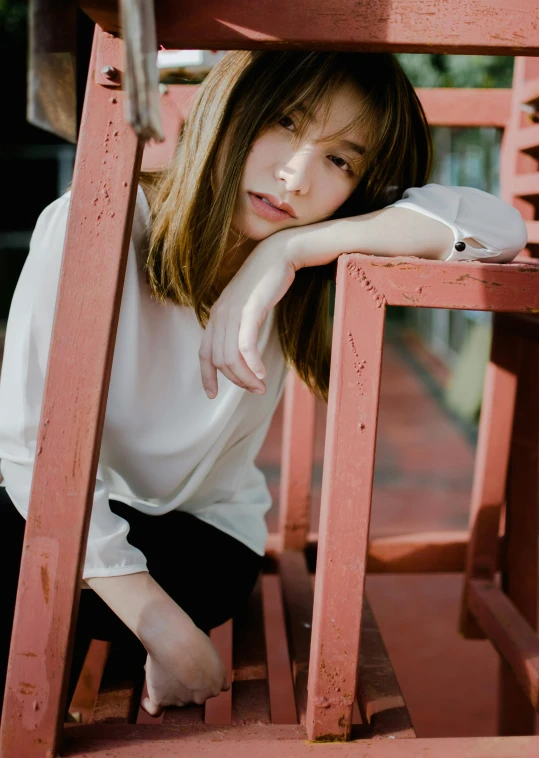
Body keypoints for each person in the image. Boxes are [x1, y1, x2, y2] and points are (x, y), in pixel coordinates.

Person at [0, 51, 527, 718]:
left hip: (199, 546)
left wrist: (284, 252)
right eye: (283, 121)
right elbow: (25, 451)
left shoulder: (306, 253)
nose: (295, 175)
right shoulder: (96, 221)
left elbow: (498, 229)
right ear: (228, 108)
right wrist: (162, 627)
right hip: (63, 518)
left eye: (341, 160)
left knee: (42, 584)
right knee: (26, 547)